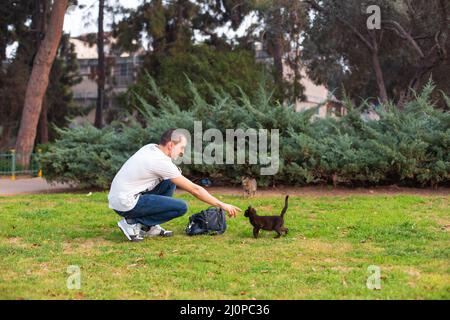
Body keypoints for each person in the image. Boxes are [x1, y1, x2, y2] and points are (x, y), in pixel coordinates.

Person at [108, 128, 241, 241]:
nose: (182, 152)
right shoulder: (160, 162)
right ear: (171, 145)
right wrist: (222, 205)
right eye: (181, 147)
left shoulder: (151, 148)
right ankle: (132, 223)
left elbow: (171, 174)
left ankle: (149, 227)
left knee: (169, 181)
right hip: (125, 203)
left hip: (120, 197)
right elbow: (195, 190)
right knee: (180, 207)